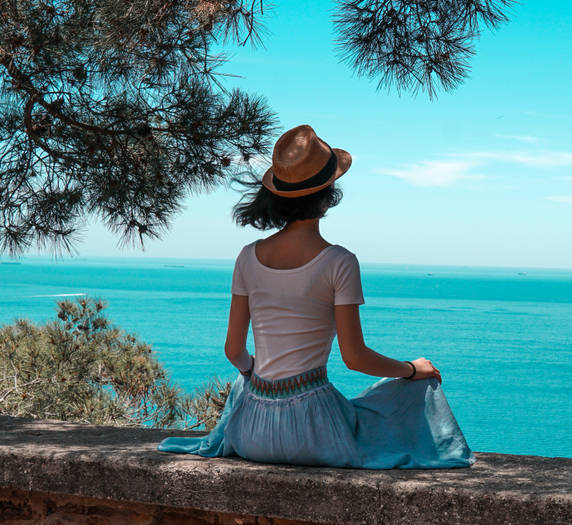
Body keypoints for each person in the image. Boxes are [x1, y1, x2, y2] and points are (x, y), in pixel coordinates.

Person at [157, 125, 474, 469]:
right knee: (409, 393)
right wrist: (412, 369)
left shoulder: (247, 256)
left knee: (249, 382)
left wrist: (259, 378)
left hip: (252, 435)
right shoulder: (339, 262)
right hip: (315, 435)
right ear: (328, 195)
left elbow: (233, 351)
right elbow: (355, 358)